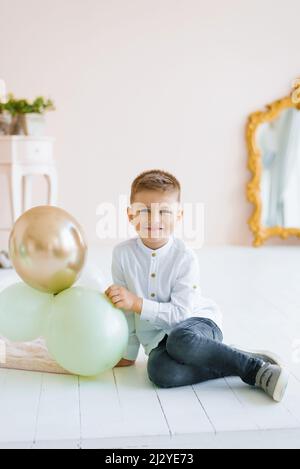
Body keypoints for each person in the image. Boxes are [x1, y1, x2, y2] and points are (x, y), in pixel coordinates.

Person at [105, 169, 289, 402]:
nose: (154, 219)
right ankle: (230, 358)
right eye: (144, 211)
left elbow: (180, 313)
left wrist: (138, 303)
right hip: (158, 340)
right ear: (130, 215)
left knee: (180, 340)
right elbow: (125, 310)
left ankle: (255, 369)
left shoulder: (184, 257)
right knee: (160, 372)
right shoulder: (122, 255)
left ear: (179, 216)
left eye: (164, 211)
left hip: (196, 324)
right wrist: (129, 353)